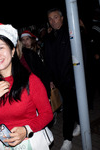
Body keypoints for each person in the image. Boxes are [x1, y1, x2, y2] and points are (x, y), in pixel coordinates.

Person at [0, 22, 53, 149]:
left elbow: (47, 114)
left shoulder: (31, 80)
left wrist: (26, 129)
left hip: (32, 142)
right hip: (4, 145)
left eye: (1, 48)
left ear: (12, 51)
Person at [44, 8, 81, 150]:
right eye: (50, 19)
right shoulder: (48, 37)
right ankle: (79, 122)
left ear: (62, 18)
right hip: (59, 80)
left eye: (55, 17)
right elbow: (48, 60)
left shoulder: (71, 33)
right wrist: (50, 79)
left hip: (72, 79)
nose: (53, 21)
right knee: (71, 104)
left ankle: (67, 139)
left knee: (69, 107)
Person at [19, 30, 50, 97]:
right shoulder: (22, 55)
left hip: (44, 80)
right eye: (23, 40)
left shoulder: (39, 50)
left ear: (31, 40)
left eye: (27, 39)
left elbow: (46, 65)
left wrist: (50, 80)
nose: (25, 42)